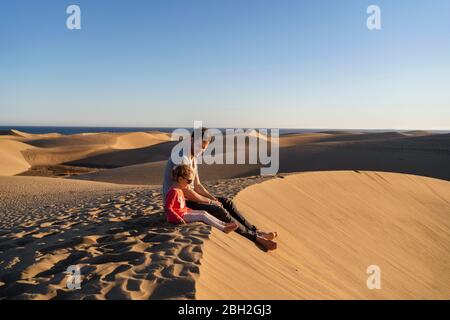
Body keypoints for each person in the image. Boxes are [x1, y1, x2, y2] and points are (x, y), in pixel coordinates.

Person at [162, 127, 278, 251]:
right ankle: (256, 238)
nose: (201, 150)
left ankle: (256, 231)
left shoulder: (193, 158)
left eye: (204, 147)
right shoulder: (181, 158)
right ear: (191, 140)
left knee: (226, 202)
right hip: (178, 202)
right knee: (219, 210)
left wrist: (213, 198)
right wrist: (209, 202)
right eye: (200, 146)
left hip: (190, 198)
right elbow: (185, 191)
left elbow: (197, 185)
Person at [165, 165, 239, 233]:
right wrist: (178, 219)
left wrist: (190, 210)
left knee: (203, 212)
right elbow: (168, 208)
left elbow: (181, 207)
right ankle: (223, 228)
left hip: (183, 213)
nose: (190, 183)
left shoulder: (180, 190)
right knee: (202, 216)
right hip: (179, 217)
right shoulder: (173, 191)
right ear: (180, 179)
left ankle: (224, 224)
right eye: (189, 181)